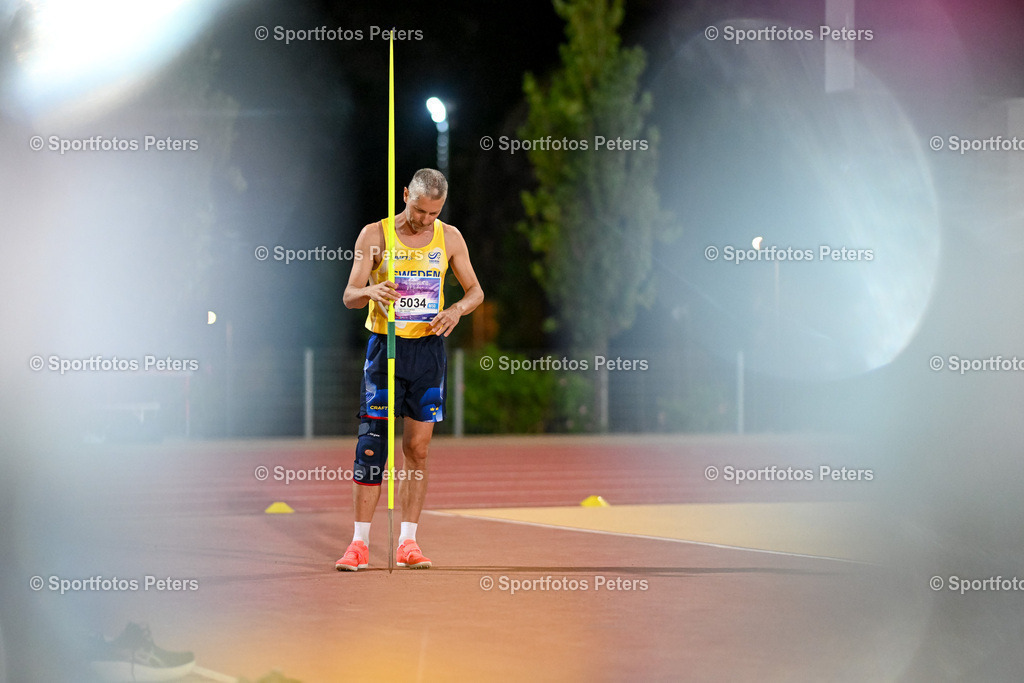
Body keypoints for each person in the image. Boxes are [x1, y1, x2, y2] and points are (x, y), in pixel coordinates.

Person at [336, 168, 483, 571]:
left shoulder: (449, 237)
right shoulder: (375, 235)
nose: (425, 220)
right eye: (420, 211)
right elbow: (350, 294)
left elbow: (476, 291)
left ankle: (408, 542)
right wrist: (370, 290)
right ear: (405, 196)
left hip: (428, 352)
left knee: (417, 450)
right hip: (386, 348)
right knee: (371, 447)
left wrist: (456, 310)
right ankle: (359, 544)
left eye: (434, 213)